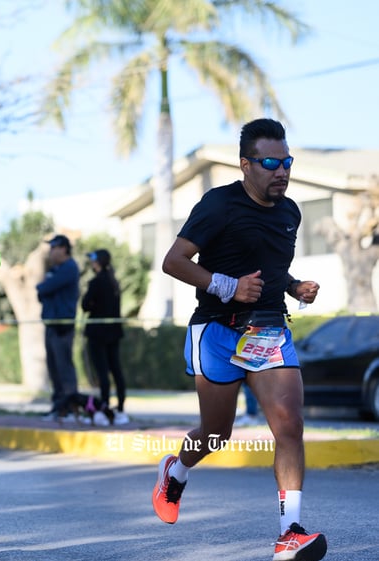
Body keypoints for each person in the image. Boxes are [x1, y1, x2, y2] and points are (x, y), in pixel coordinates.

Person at [154, 118, 326, 561]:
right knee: (216, 433)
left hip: (268, 327)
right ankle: (176, 468)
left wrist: (292, 286)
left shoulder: (290, 212)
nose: (281, 171)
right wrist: (227, 286)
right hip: (216, 329)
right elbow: (173, 261)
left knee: (289, 426)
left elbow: (269, 266)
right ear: (246, 164)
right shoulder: (218, 205)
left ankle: (291, 533)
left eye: (286, 162)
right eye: (271, 162)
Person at [36, 234, 82, 421]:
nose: (51, 251)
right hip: (51, 323)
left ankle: (70, 408)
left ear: (63, 248)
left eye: (54, 247)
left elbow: (44, 288)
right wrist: (44, 287)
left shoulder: (70, 268)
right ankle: (58, 407)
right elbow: (42, 291)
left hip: (63, 324)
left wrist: (45, 287)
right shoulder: (56, 269)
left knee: (64, 369)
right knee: (54, 368)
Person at [81, 249, 129, 425]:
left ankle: (104, 410)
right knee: (116, 370)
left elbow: (85, 305)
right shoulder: (113, 282)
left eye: (93, 260)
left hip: (97, 333)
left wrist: (92, 303)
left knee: (102, 372)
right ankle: (121, 410)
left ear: (98, 262)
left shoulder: (96, 282)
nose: (91, 264)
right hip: (114, 332)